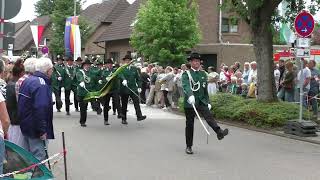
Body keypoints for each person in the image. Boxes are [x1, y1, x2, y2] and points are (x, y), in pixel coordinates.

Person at [182, 53, 228, 154]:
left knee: (209, 117)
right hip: (190, 102)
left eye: (198, 61)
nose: (196, 62)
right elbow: (186, 86)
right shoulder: (186, 74)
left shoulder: (203, 74)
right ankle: (189, 146)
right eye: (194, 61)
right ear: (190, 62)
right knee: (190, 124)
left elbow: (204, 90)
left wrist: (208, 102)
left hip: (201, 100)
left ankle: (219, 132)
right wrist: (190, 95)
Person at [18, 57, 54, 161]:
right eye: (51, 69)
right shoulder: (41, 84)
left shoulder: (28, 80)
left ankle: (31, 175)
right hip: (36, 128)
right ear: (48, 70)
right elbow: (40, 108)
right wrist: (42, 130)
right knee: (39, 158)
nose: (52, 71)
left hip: (27, 125)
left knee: (29, 157)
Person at [119, 55, 146, 125]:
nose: (127, 61)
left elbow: (138, 79)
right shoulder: (122, 68)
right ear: (124, 61)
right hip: (125, 88)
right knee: (124, 104)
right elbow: (119, 74)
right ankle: (124, 119)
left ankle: (139, 116)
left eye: (129, 60)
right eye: (126, 60)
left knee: (136, 102)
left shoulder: (134, 69)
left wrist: (139, 86)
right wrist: (123, 79)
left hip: (133, 88)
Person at [6, 59, 27, 149]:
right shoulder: (15, 85)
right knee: (18, 149)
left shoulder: (10, 84)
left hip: (13, 121)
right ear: (21, 73)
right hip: (16, 122)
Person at [100, 59, 122, 125]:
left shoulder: (115, 70)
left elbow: (120, 75)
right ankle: (105, 120)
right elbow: (101, 78)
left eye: (110, 64)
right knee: (106, 105)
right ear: (106, 65)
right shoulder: (103, 72)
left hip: (114, 89)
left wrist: (123, 80)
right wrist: (102, 80)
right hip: (107, 90)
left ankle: (119, 113)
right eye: (108, 64)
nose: (109, 65)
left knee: (117, 101)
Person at [76, 59, 92, 127]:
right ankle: (82, 121)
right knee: (83, 108)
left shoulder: (91, 72)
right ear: (83, 66)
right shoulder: (80, 72)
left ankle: (97, 108)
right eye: (86, 65)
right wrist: (81, 81)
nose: (88, 66)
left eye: (89, 65)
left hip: (88, 92)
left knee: (87, 105)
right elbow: (79, 76)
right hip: (81, 93)